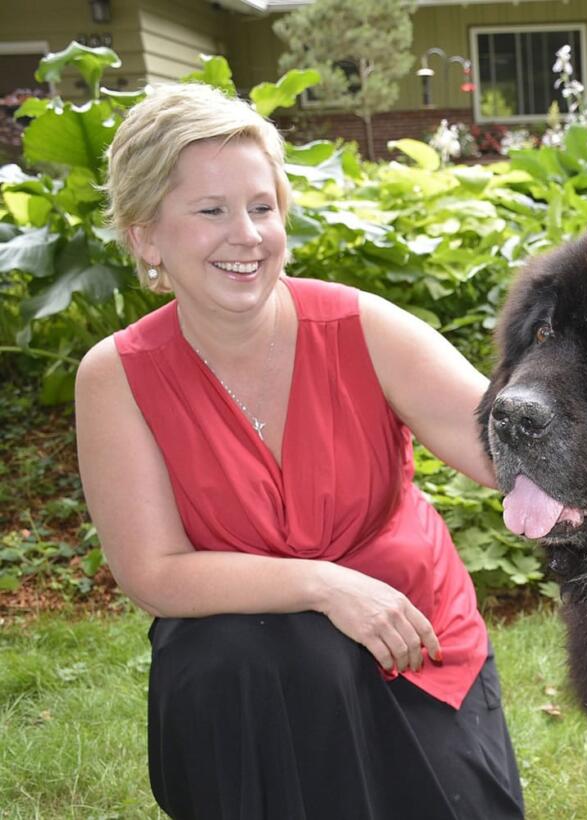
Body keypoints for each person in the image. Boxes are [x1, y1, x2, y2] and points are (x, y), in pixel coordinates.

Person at [74, 82, 524, 820]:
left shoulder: (362, 326)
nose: (246, 234)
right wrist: (323, 585)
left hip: (411, 640)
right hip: (251, 668)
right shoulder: (116, 377)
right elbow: (153, 574)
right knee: (240, 655)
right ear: (145, 235)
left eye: (261, 206)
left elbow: (504, 449)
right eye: (211, 211)